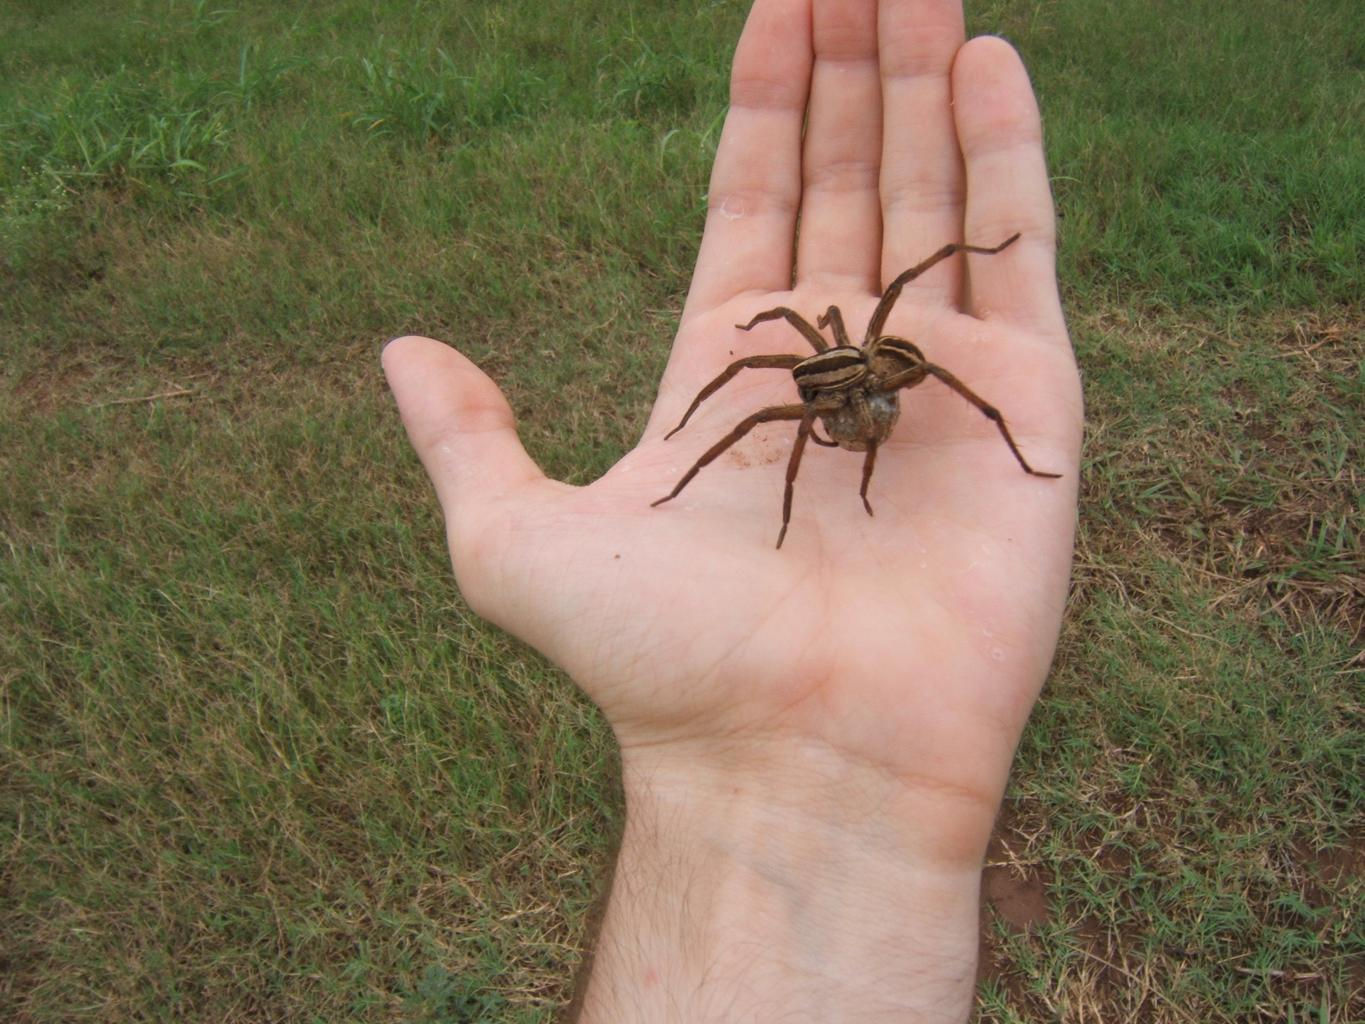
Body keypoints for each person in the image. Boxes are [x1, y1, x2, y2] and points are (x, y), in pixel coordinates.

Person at [383, 0, 1082, 1018]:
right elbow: (799, 349)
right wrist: (764, 355)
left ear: (839, 367)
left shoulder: (847, 366)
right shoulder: (822, 368)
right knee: (775, 378)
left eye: (818, 371)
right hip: (868, 375)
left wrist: (903, 431)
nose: (804, 380)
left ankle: (1001, 442)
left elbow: (856, 328)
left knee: (790, 389)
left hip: (888, 370)